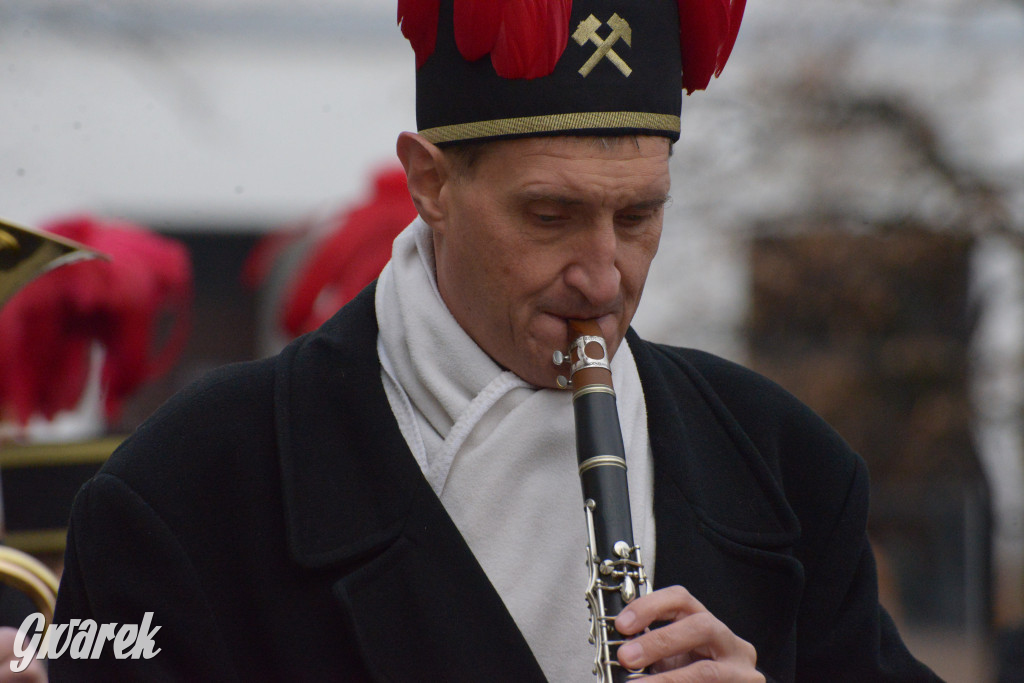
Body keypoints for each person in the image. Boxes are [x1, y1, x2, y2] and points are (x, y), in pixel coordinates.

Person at [51, 1, 943, 681]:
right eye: (550, 215)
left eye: (638, 215)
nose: (603, 276)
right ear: (429, 182)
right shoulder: (188, 487)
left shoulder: (790, 469)